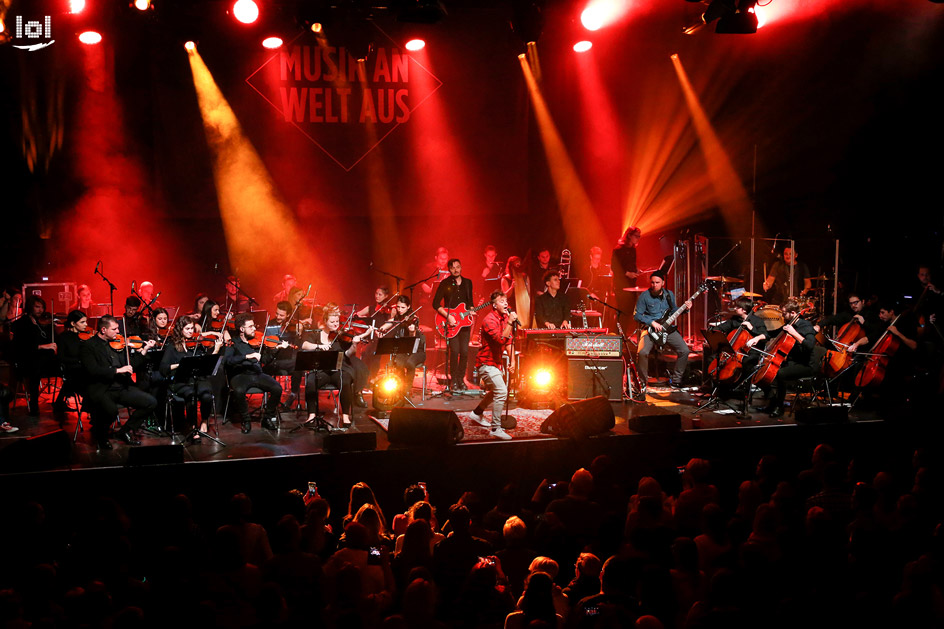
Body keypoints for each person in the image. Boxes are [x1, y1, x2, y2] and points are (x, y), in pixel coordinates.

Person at [79, 315, 158, 449]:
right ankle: (101, 436)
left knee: (150, 402)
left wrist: (144, 350)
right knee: (111, 411)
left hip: (121, 387)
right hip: (103, 389)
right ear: (103, 330)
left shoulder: (118, 343)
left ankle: (124, 431)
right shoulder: (89, 346)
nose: (118, 332)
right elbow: (92, 370)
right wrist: (117, 371)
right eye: (114, 329)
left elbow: (131, 364)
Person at [299, 309, 373, 428]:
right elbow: (304, 345)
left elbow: (348, 354)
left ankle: (345, 415)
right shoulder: (317, 334)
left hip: (339, 368)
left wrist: (354, 344)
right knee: (311, 381)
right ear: (325, 322)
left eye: (337, 322)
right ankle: (312, 415)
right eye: (332, 322)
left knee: (345, 380)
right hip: (322, 369)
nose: (335, 324)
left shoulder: (341, 336)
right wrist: (319, 346)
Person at [161, 316, 225, 441]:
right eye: (187, 329)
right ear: (180, 330)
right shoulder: (172, 346)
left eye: (192, 328)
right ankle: (192, 426)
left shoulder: (197, 344)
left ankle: (204, 420)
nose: (191, 332)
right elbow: (163, 368)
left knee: (206, 395)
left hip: (198, 379)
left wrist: (216, 349)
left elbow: (207, 363)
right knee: (191, 395)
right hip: (181, 381)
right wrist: (181, 365)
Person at [224, 312, 284, 434]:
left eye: (254, 326)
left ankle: (267, 418)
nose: (254, 329)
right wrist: (246, 356)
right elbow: (228, 361)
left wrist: (276, 350)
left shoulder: (258, 341)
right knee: (239, 391)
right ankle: (246, 420)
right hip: (240, 375)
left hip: (257, 373)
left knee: (277, 388)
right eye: (250, 326)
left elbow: (265, 360)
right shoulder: (233, 342)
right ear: (242, 329)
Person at [758, 298, 818, 418]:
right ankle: (773, 402)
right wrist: (758, 336)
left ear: (793, 313)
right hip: (791, 362)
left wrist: (794, 333)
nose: (782, 316)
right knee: (760, 371)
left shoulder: (805, 325)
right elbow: (773, 333)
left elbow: (810, 346)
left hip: (805, 365)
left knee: (780, 374)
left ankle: (779, 407)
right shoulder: (788, 324)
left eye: (784, 313)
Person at [634, 271, 692, 393]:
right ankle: (642, 383)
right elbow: (637, 315)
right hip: (650, 330)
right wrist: (652, 322)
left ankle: (676, 381)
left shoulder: (669, 294)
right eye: (652, 282)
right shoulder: (644, 296)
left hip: (667, 329)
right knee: (642, 352)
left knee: (685, 350)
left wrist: (685, 309)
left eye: (657, 282)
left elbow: (674, 310)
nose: (654, 285)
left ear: (663, 283)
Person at [469, 291, 516, 440]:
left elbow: (509, 342)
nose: (505, 303)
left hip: (496, 363)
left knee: (497, 390)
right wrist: (509, 322)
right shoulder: (489, 320)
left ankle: (477, 413)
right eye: (502, 301)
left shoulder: (505, 318)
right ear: (494, 305)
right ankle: (495, 428)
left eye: (506, 300)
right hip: (485, 363)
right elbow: (501, 339)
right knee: (501, 391)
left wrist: (513, 361)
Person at [11, 295, 58, 416]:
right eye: (37, 307)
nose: (40, 310)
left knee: (63, 364)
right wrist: (43, 346)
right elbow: (22, 347)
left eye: (42, 307)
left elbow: (47, 339)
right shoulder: (21, 323)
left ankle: (61, 400)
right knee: (35, 367)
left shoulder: (39, 322)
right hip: (26, 360)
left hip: (42, 359)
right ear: (30, 307)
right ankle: (34, 405)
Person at [432, 258, 474, 392]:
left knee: (465, 352)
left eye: (458, 267)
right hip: (450, 323)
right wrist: (448, 316)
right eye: (453, 268)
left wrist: (471, 310)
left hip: (464, 323)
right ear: (449, 270)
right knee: (454, 352)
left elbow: (470, 302)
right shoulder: (445, 283)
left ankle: (461, 379)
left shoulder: (468, 283)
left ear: (461, 267)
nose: (456, 270)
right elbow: (435, 304)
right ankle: (454, 380)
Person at [713, 297, 770, 384]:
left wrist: (752, 328)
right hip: (734, 351)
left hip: (750, 352)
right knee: (713, 359)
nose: (735, 308)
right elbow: (720, 328)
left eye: (737, 307)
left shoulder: (757, 321)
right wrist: (715, 332)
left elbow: (765, 335)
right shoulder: (735, 320)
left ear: (743, 310)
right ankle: (717, 385)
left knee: (746, 363)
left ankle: (742, 387)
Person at [380, 295, 427, 379]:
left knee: (410, 363)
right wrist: (379, 330)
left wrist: (412, 331)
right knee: (398, 363)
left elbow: (413, 338)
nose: (400, 310)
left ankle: (407, 389)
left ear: (408, 307)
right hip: (403, 350)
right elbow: (389, 323)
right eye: (398, 307)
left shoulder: (413, 318)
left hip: (416, 351)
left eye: (403, 307)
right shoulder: (397, 317)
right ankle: (401, 385)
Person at [53, 309, 90, 414]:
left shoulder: (86, 336)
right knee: (89, 382)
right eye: (82, 322)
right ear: (73, 324)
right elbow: (61, 358)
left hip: (85, 369)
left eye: (86, 321)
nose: (86, 324)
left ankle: (89, 404)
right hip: (72, 370)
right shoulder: (64, 337)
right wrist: (79, 361)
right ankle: (89, 406)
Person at [612, 226, 642, 334]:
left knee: (629, 312)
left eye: (639, 237)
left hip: (631, 285)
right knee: (623, 311)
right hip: (621, 285)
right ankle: (618, 334)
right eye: (636, 236)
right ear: (629, 235)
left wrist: (637, 270)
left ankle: (623, 334)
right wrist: (627, 273)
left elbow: (631, 265)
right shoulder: (618, 250)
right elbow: (614, 267)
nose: (638, 238)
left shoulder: (633, 249)